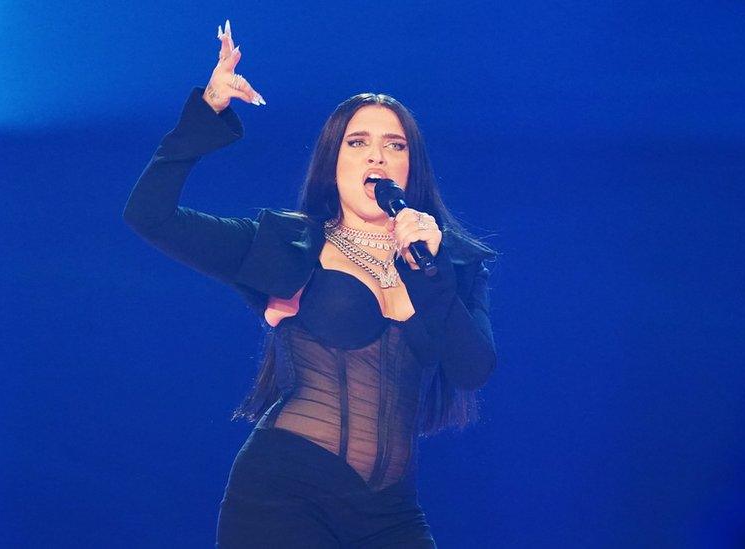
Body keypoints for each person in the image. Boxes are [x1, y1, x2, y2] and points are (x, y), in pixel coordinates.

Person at [123, 19, 497, 549]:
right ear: (334, 163)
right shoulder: (290, 244)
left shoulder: (451, 262)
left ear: (412, 168)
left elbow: (472, 367)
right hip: (283, 495)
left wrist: (429, 270)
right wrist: (208, 110)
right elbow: (150, 215)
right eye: (358, 142)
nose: (377, 157)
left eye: (395, 145)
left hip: (390, 514)